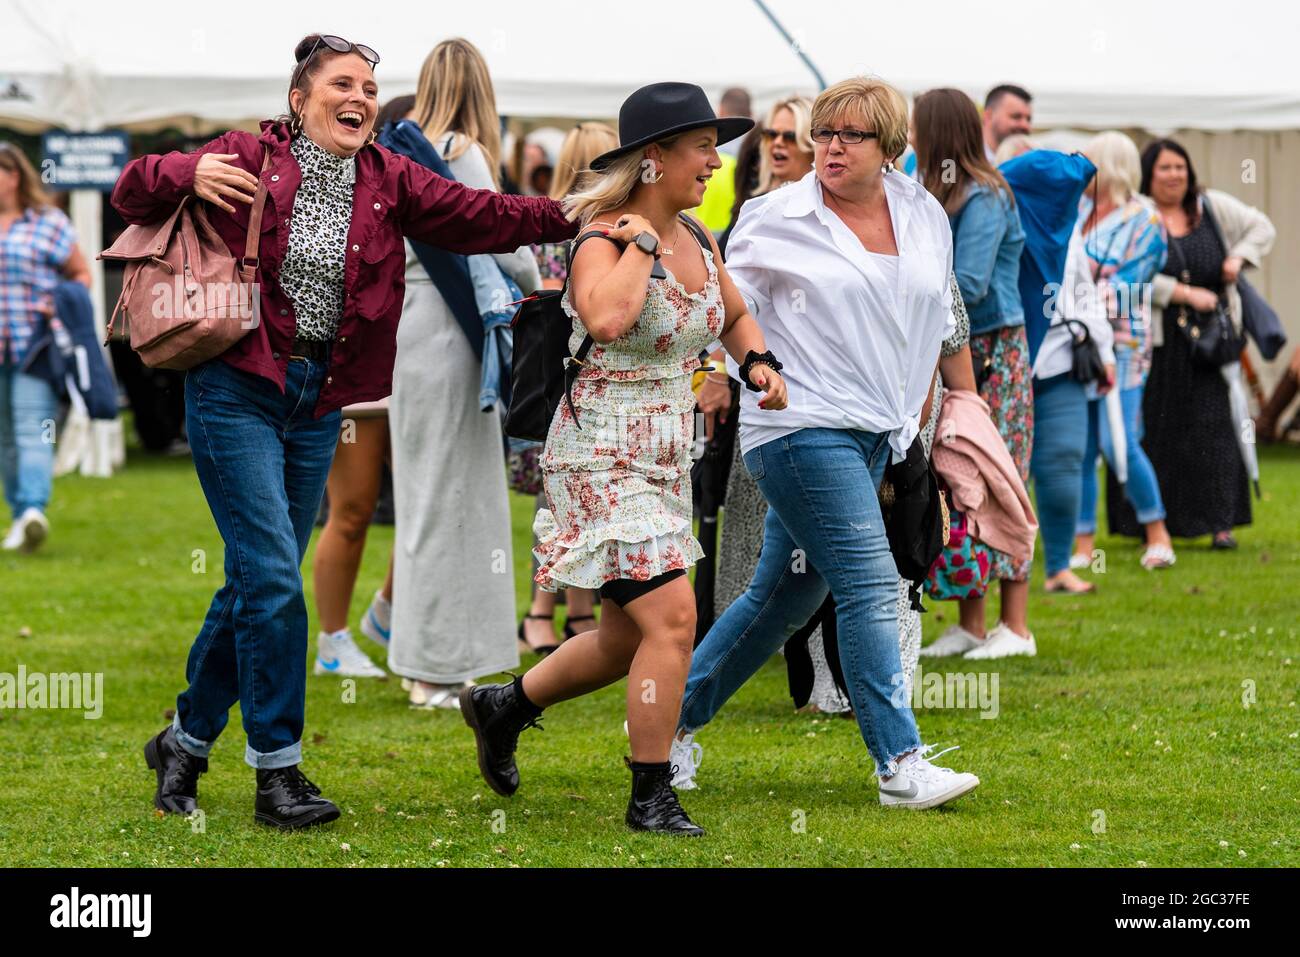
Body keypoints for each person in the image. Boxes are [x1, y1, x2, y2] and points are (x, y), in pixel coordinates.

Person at [116, 33, 576, 829]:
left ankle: (184, 742)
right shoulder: (245, 154)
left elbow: (483, 215)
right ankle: (278, 770)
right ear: (301, 100)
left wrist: (573, 210)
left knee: (253, 582)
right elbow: (131, 191)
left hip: (319, 401)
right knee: (268, 580)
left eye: (369, 84)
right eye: (341, 83)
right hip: (235, 388)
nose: (360, 95)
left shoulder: (388, 176)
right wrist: (184, 170)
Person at [460, 82, 785, 835]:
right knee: (674, 617)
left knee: (622, 636)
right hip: (598, 456)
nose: (714, 160)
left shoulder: (701, 240)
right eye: (701, 146)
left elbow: (731, 313)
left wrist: (758, 363)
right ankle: (651, 794)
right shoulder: (604, 239)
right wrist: (641, 240)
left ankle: (504, 706)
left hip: (668, 457)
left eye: (714, 145)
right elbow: (607, 319)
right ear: (653, 158)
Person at [671, 76, 980, 810]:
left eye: (851, 135)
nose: (831, 147)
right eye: (824, 133)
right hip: (798, 427)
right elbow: (726, 306)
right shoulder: (776, 215)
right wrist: (720, 372)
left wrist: (936, 416)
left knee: (775, 600)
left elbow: (934, 317)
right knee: (871, 583)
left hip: (882, 429)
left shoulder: (922, 213)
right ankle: (899, 763)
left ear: (889, 145)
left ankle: (663, 724)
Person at [386, 38, 545, 710]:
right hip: (453, 333)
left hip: (411, 323)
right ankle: (435, 668)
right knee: (455, 503)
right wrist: (540, 280)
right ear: (481, 90)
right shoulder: (463, 152)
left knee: (426, 501)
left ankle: (428, 657)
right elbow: (498, 235)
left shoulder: (395, 154)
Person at [913, 88, 1034, 660]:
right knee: (965, 480)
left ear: (938, 132)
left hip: (994, 353)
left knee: (1003, 475)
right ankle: (973, 621)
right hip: (956, 352)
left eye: (916, 127)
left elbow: (972, 284)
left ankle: (1017, 625)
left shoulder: (986, 195)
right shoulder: (934, 189)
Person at [1115, 139, 1275, 549]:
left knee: (1216, 429)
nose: (1174, 175)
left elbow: (1262, 227)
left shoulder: (1213, 207)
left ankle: (1221, 523)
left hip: (1211, 341)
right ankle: (1154, 523)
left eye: (1180, 167)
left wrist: (1238, 259)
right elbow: (1123, 274)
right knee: (1158, 431)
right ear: (1149, 175)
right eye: (1165, 168)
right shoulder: (1137, 217)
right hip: (1155, 340)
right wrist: (1182, 295)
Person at [515, 120, 619, 655]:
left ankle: (574, 611)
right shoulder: (583, 232)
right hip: (568, 383)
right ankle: (541, 610)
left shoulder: (551, 225)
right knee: (562, 502)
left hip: (556, 383)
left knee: (567, 502)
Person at [1070, 132, 1172, 571]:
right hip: (1081, 342)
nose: (1082, 169)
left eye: (1090, 161)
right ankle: (1082, 545)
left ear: (1109, 165)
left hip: (1124, 344)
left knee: (1119, 442)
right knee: (1084, 446)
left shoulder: (1145, 220)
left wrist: (1076, 300)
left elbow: (1128, 286)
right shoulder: (1082, 212)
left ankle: (1158, 533)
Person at [0, 142, 92, 553]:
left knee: (33, 429)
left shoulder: (48, 222)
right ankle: (21, 515)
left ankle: (34, 509)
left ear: (14, 175)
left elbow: (81, 274)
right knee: (4, 437)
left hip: (34, 343)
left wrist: (59, 302)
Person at [981, 84, 1033, 162]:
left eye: (1028, 119)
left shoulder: (1030, 161)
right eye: (1016, 116)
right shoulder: (962, 162)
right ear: (988, 116)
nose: (1025, 125)